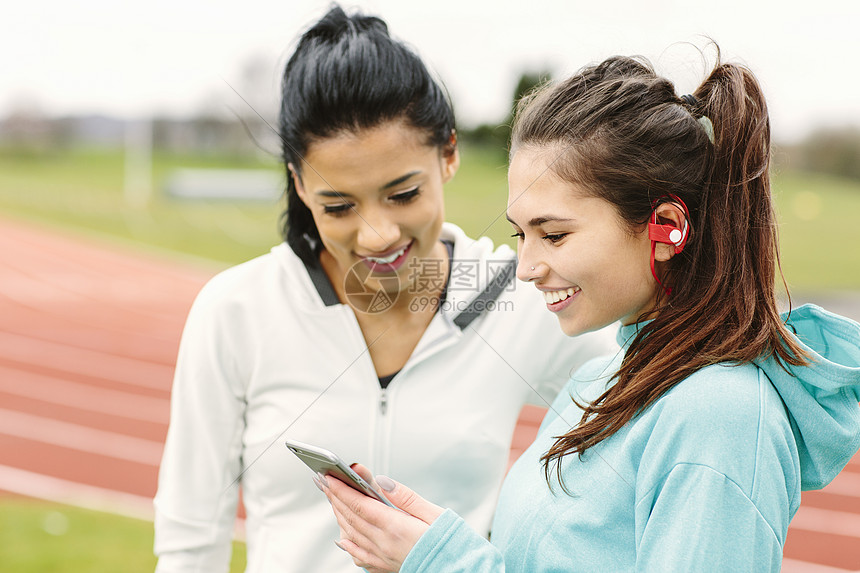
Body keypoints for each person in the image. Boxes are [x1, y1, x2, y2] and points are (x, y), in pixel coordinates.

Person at [318, 52, 860, 572]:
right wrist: (428, 544)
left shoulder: (721, 416)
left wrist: (444, 563)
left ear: (667, 227)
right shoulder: (595, 378)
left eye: (553, 234)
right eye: (520, 234)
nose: (525, 267)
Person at [152, 6, 617, 573]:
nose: (377, 235)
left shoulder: (517, 294)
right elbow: (190, 534)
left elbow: (654, 397)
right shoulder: (236, 311)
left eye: (402, 195)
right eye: (339, 206)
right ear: (298, 184)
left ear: (448, 154)